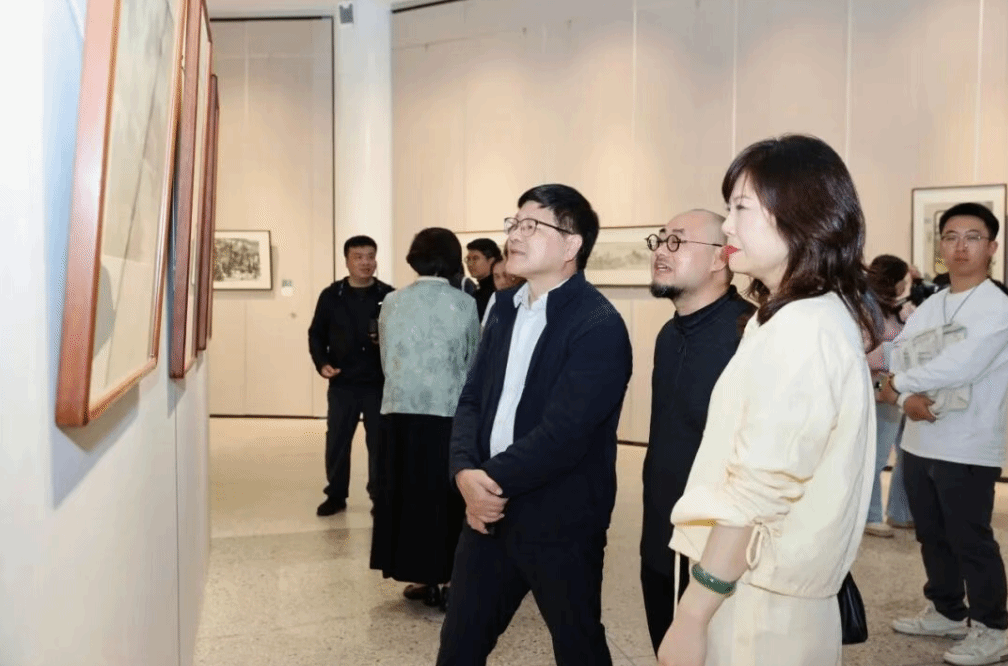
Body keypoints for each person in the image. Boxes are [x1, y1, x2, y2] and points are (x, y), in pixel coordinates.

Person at [659, 134, 878, 666]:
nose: (727, 226)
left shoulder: (803, 327)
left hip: (759, 600)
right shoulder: (789, 315)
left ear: (801, 216)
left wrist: (692, 616)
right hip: (755, 584)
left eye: (742, 208)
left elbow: (758, 491)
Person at [436, 184, 633, 666]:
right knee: (459, 647)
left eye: (531, 226)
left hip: (559, 518)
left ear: (571, 245)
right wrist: (463, 472)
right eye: (514, 224)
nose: (515, 236)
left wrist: (485, 482)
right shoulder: (503, 309)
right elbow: (472, 398)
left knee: (578, 646)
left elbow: (564, 434)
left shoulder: (598, 323)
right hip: (488, 513)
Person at [880, 202, 1008, 666]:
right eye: (951, 237)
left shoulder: (997, 306)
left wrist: (899, 385)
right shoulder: (933, 303)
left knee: (970, 538)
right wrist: (902, 395)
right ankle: (947, 610)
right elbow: (902, 351)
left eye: (973, 237)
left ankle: (994, 628)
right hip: (919, 439)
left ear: (992, 247)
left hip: (968, 443)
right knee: (932, 534)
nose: (960, 247)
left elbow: (960, 365)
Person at [640, 209, 755, 655]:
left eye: (678, 241)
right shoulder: (668, 335)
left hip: (717, 550)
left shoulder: (750, 335)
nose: (661, 252)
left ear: (721, 258)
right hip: (660, 534)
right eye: (660, 239)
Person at [369, 228, 480, 609]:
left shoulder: (392, 301)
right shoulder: (463, 304)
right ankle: (449, 579)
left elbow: (386, 358)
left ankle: (422, 576)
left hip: (399, 413)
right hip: (446, 414)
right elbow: (472, 359)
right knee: (445, 500)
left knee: (408, 497)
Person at [307, 236, 394, 516]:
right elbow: (316, 333)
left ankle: (380, 496)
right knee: (337, 441)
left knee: (379, 443)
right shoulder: (331, 295)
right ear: (346, 261)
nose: (366, 262)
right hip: (343, 382)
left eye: (370, 256)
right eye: (358, 257)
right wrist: (322, 363)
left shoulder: (389, 295)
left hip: (379, 383)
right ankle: (335, 495)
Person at [863, 254, 916, 538]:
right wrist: (895, 351)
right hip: (877, 387)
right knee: (876, 454)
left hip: (893, 385)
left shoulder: (892, 308)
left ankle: (899, 512)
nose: (905, 285)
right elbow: (867, 352)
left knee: (904, 450)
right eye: (903, 280)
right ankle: (870, 516)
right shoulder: (866, 306)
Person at [480, 247, 526, 328]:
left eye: (505, 275)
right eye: (496, 277)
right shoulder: (496, 298)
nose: (502, 282)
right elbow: (484, 330)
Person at [464, 238, 502, 320]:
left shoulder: (497, 290)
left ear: (491, 261)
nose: (470, 264)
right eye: (468, 259)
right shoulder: (479, 292)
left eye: (475, 258)